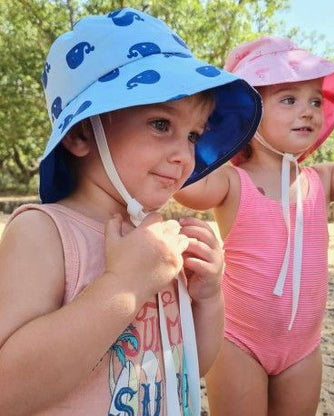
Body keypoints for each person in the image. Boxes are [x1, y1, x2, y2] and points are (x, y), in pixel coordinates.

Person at [0, 8, 262, 416]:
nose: (184, 156)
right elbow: (8, 389)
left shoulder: (159, 240)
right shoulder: (43, 233)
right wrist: (124, 284)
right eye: (161, 124)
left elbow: (191, 368)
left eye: (193, 135)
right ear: (83, 133)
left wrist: (208, 297)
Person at [174, 36, 334, 415]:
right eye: (289, 99)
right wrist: (200, 117)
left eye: (316, 100)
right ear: (250, 113)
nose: (308, 112)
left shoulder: (322, 180)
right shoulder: (232, 183)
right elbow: (185, 183)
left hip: (303, 349)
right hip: (238, 342)